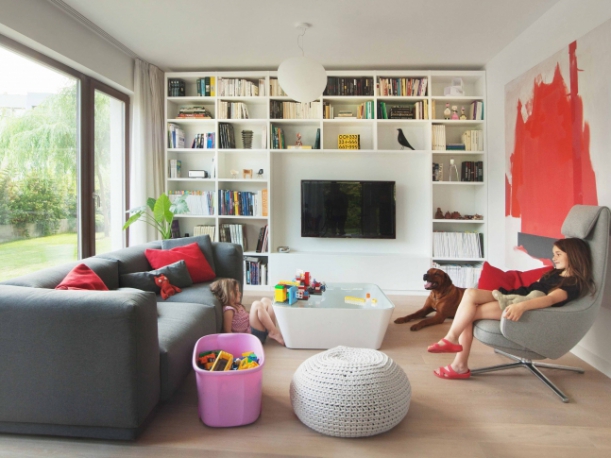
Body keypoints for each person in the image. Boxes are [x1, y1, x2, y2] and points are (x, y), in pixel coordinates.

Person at [427, 238, 594, 379]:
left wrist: (521, 306)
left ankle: (459, 364)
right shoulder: (555, 273)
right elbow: (533, 288)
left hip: (527, 307)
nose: (554, 258)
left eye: (558, 254)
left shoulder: (573, 283)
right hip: (515, 295)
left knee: (468, 314)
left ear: (573, 255)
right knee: (470, 293)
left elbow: (549, 299)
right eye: (554, 254)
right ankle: (451, 340)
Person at [210, 278, 285, 345]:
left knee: (266, 300)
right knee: (257, 304)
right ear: (228, 293)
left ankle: (271, 328)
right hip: (253, 336)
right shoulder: (228, 310)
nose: (240, 293)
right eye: (236, 290)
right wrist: (239, 343)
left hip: (256, 330)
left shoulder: (237, 305)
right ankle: (273, 332)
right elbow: (227, 331)